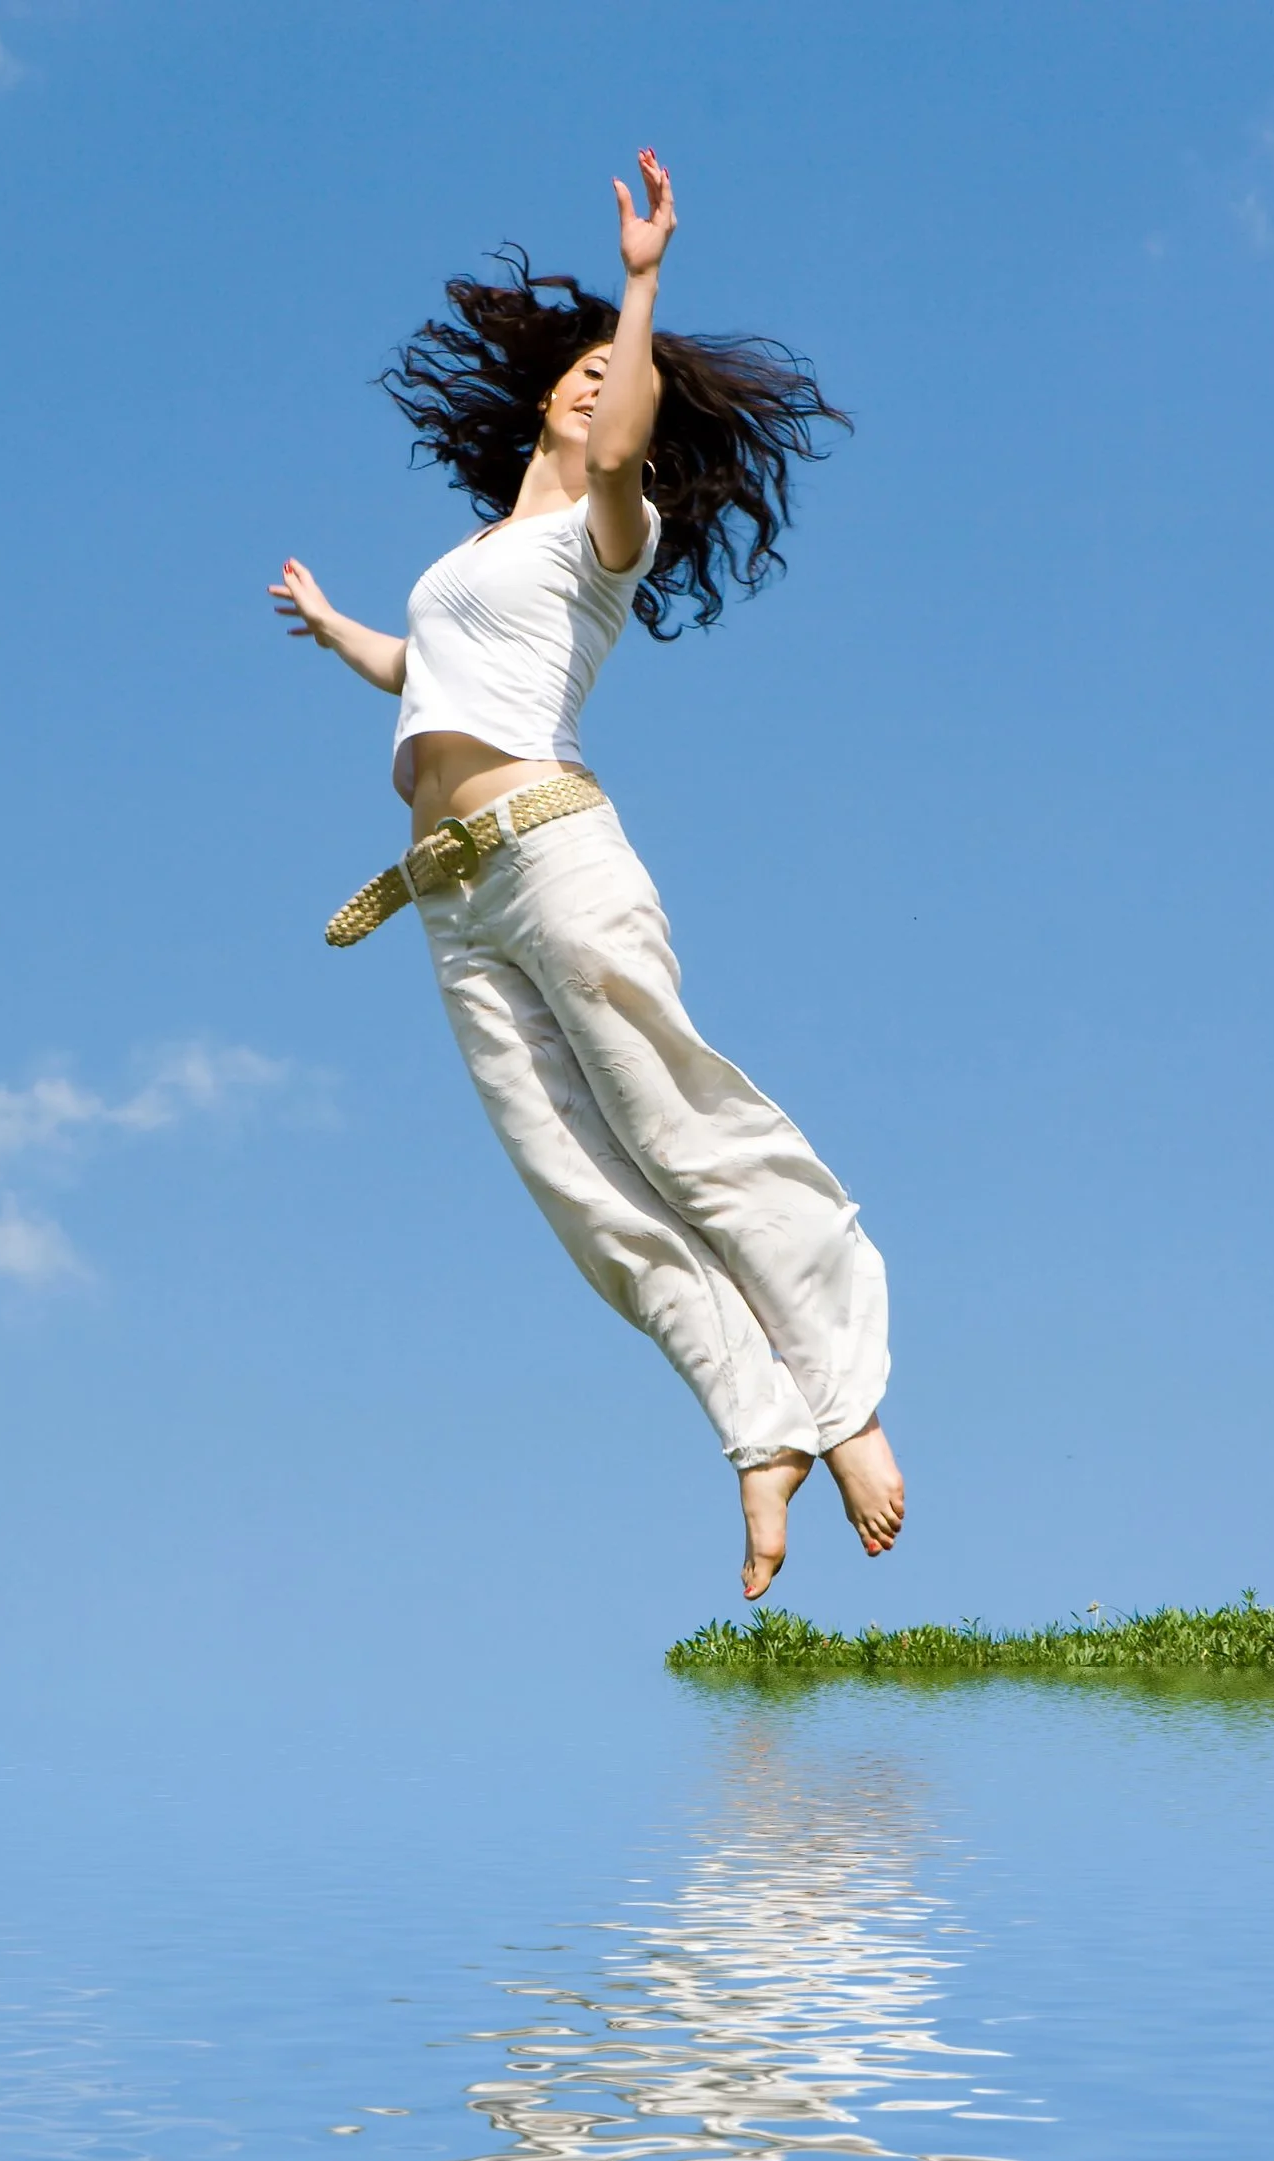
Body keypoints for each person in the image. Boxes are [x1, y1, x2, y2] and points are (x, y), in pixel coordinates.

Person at [269, 150, 902, 1600]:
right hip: (454, 897)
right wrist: (335, 628)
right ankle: (760, 1433)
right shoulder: (482, 551)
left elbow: (618, 451)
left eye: (613, 378)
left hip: (555, 856)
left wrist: (641, 281)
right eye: (574, 373)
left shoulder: (612, 532)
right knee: (585, 1189)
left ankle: (847, 1400)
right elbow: (426, 678)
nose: (588, 389)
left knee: (681, 1132)